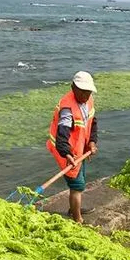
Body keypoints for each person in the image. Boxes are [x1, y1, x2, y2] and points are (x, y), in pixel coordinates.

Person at [46, 71, 98, 223]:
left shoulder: (88, 101)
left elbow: (92, 122)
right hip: (66, 151)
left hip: (80, 148)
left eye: (88, 92)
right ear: (73, 88)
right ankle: (77, 219)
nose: (86, 96)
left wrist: (92, 142)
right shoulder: (67, 109)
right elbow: (62, 133)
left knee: (79, 183)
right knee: (77, 185)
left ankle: (74, 208)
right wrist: (66, 153)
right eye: (83, 92)